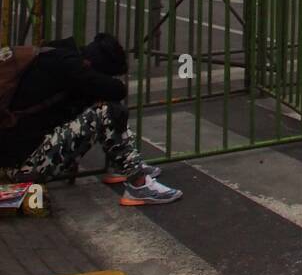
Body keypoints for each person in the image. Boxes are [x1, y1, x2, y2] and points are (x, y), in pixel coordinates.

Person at [0, 34, 182, 205]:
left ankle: (121, 165)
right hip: (20, 168)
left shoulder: (52, 54)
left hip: (13, 157)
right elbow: (117, 90)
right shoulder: (71, 66)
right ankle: (139, 184)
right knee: (105, 110)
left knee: (95, 105)